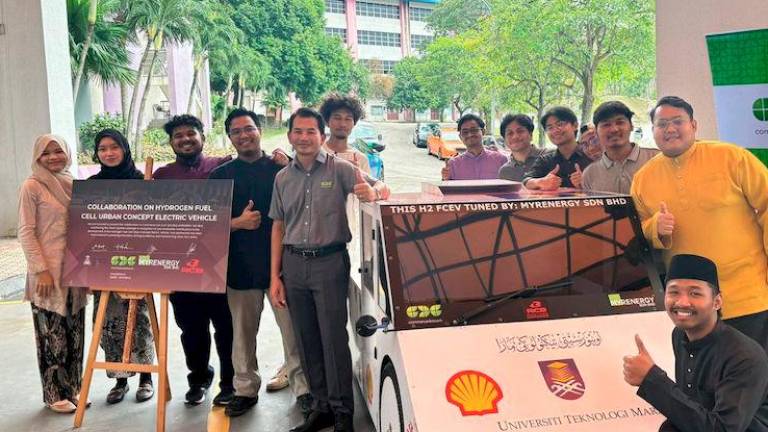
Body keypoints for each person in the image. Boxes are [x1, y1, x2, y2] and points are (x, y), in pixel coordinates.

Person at [268, 108, 390, 432]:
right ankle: (320, 407)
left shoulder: (341, 169)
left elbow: (382, 189)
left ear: (321, 136)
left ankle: (341, 413)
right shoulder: (282, 177)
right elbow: (278, 227)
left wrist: (373, 192)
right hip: (293, 266)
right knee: (306, 339)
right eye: (298, 131)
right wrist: (274, 278)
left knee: (334, 339)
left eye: (311, 131)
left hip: (329, 262)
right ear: (290, 135)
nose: (304, 137)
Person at [631, 96, 768, 348]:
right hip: (689, 306)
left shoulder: (732, 157)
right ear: (653, 131)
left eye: (677, 121)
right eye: (662, 124)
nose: (670, 129)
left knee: (753, 379)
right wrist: (654, 229)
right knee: (701, 382)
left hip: (747, 295)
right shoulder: (643, 179)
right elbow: (635, 233)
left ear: (693, 125)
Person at [209, 108, 310, 418]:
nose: (244, 135)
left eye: (249, 128)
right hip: (239, 269)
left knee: (293, 334)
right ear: (230, 137)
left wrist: (291, 163)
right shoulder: (221, 176)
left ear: (260, 130)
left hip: (281, 269)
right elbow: (205, 225)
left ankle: (304, 389)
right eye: (236, 131)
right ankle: (244, 390)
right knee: (242, 336)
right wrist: (237, 223)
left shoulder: (282, 169)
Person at [623, 254, 768, 431]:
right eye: (674, 292)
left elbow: (724, 429)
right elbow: (691, 408)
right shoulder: (679, 335)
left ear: (717, 302)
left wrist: (651, 379)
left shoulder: (744, 356)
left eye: (695, 293)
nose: (682, 302)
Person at [153, 114, 235, 406]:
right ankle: (199, 378)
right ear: (171, 143)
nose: (185, 139)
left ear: (203, 136)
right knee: (191, 330)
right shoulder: (161, 176)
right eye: (178, 136)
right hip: (181, 268)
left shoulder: (223, 166)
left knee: (227, 328)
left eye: (191, 134)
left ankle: (229, 383)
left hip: (220, 265)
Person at [18, 134, 89, 413]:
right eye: (46, 153)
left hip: (75, 269)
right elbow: (25, 231)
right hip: (47, 273)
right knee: (51, 336)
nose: (53, 158)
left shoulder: (75, 184)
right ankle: (54, 394)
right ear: (38, 157)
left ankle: (75, 389)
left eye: (58, 151)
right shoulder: (32, 186)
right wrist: (40, 270)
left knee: (76, 333)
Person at [89, 129, 155, 404]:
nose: (108, 153)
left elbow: (154, 224)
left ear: (125, 149)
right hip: (104, 265)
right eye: (102, 148)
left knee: (140, 322)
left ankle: (146, 377)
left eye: (114, 147)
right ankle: (120, 380)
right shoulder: (91, 184)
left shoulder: (143, 181)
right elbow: (86, 228)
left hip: (138, 264)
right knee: (110, 323)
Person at [582, 101, 659, 194]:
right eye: (606, 125)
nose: (614, 129)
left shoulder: (656, 159)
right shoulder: (590, 174)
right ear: (597, 132)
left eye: (620, 122)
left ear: (631, 126)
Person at [523, 106, 593, 190]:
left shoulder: (591, 155)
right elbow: (526, 181)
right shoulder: (545, 160)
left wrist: (587, 183)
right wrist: (540, 182)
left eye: (560, 124)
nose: (555, 130)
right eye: (550, 127)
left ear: (575, 125)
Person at [442, 113, 507, 180]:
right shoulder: (453, 164)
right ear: (460, 136)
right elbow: (449, 189)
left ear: (483, 132)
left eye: (474, 130)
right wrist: (445, 179)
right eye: (465, 132)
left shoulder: (500, 160)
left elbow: (510, 188)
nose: (470, 134)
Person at [319, 92, 371, 173]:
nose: (342, 124)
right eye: (337, 118)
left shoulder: (361, 160)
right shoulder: (314, 153)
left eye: (348, 119)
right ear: (327, 121)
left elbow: (367, 185)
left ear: (354, 123)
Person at [498, 114, 543, 182]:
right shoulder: (505, 172)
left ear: (531, 135)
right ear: (504, 139)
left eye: (520, 131)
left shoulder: (548, 156)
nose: (515, 137)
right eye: (510, 133)